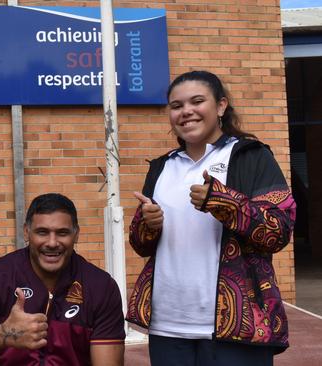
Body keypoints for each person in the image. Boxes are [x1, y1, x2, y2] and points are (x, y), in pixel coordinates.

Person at [126, 70, 296, 366]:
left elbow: (278, 231)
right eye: (176, 106)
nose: (186, 111)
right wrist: (147, 224)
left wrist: (222, 201)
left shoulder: (251, 156)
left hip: (237, 327)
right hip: (168, 326)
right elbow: (142, 245)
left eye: (197, 101)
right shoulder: (162, 167)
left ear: (220, 106)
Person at [0, 193, 125, 366]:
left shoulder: (101, 286)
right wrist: (4, 334)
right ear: (26, 232)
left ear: (76, 234)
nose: (52, 242)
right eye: (42, 232)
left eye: (62, 233)